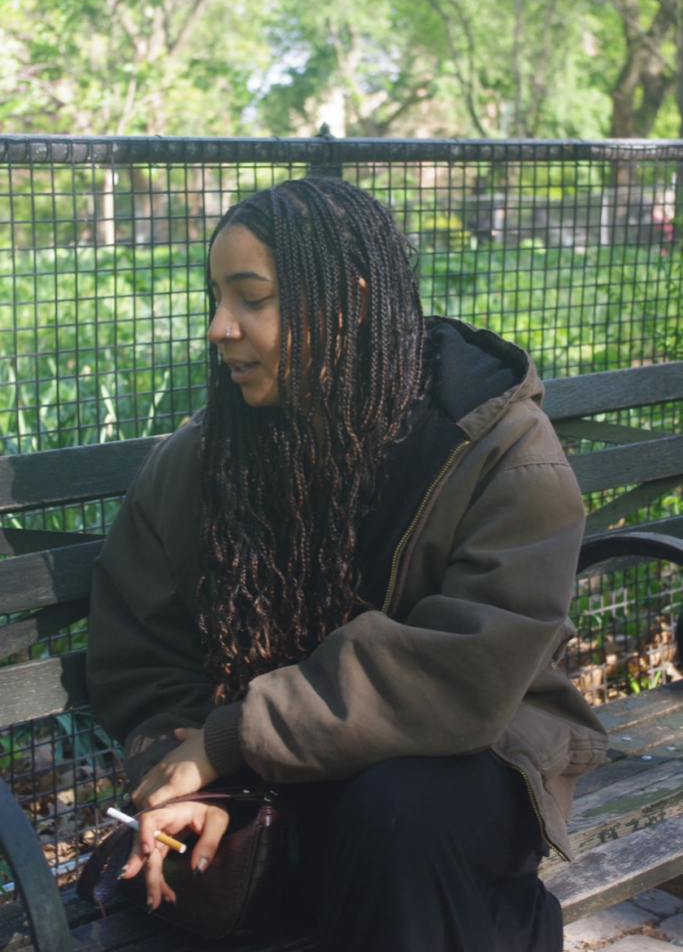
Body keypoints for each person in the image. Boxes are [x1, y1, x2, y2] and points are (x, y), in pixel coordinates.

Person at [86, 177, 607, 952]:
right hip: (275, 774)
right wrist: (199, 778)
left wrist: (234, 740)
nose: (217, 328)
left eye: (250, 298)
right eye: (214, 298)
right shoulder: (202, 462)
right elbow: (144, 654)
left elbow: (466, 671)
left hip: (472, 755)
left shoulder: (494, 447)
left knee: (396, 815)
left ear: (349, 302)